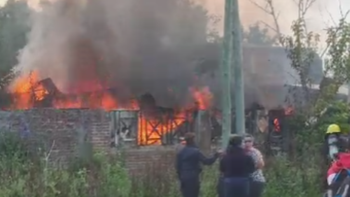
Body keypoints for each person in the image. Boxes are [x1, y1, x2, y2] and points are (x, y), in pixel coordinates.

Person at [175, 132, 220, 197]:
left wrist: (181, 177)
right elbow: (207, 161)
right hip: (193, 177)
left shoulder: (181, 152)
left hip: (183, 177)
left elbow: (177, 167)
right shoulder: (196, 151)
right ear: (193, 140)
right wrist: (216, 155)